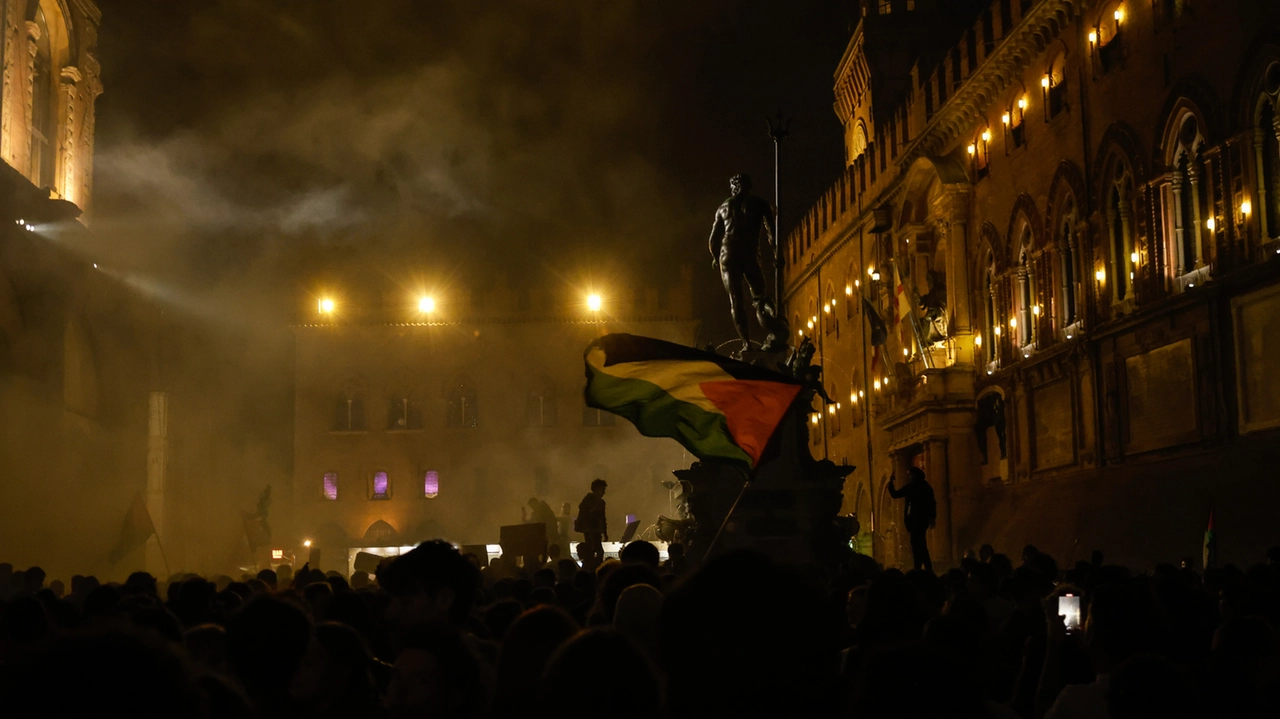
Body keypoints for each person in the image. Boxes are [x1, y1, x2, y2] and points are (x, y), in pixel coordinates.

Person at [708, 173, 788, 354]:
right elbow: (771, 233)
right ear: (749, 187)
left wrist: (715, 258)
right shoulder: (760, 204)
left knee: (736, 301)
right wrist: (777, 255)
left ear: (734, 188)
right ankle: (772, 323)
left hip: (727, 255)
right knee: (759, 296)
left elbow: (713, 241)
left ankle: (746, 344)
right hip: (749, 253)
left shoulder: (723, 208)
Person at [888, 467, 937, 572]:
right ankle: (923, 568)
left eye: (910, 475)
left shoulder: (914, 487)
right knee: (919, 545)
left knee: (918, 546)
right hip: (919, 521)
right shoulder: (926, 487)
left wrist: (891, 482)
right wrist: (932, 517)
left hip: (916, 521)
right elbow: (932, 503)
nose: (909, 477)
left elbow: (895, 494)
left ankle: (922, 568)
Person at [577, 479, 608, 563]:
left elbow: (603, 518)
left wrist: (605, 532)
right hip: (590, 530)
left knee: (597, 551)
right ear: (596, 489)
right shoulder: (589, 499)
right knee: (593, 551)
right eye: (602, 489)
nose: (604, 492)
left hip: (595, 530)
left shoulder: (601, 502)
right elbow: (584, 511)